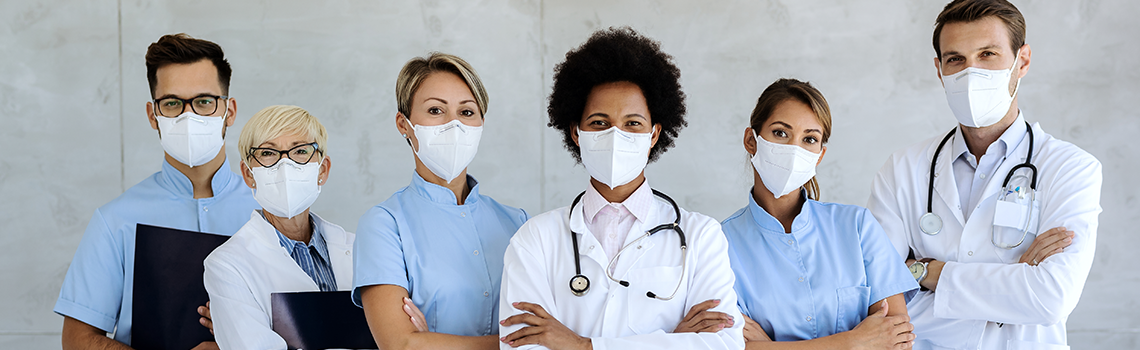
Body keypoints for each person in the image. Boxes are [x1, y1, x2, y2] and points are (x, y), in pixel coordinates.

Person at [866, 1, 1102, 349]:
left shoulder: (1070, 168)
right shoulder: (902, 170)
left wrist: (925, 271)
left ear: (1022, 61)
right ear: (939, 69)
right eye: (955, 59)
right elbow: (882, 301)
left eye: (988, 54)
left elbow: (1050, 298)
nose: (970, 72)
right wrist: (1012, 282)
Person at [498, 27, 744, 350]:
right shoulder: (534, 241)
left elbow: (724, 345)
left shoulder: (702, 236)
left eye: (632, 124)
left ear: (653, 135)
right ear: (576, 132)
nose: (616, 135)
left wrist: (582, 345)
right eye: (599, 123)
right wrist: (674, 342)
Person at [55, 33, 258, 350]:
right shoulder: (116, 220)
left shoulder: (270, 213)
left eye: (204, 101)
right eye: (173, 103)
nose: (188, 115)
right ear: (154, 115)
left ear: (229, 110)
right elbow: (78, 340)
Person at [720, 79, 917, 349]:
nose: (794, 149)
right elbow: (726, 345)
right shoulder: (718, 243)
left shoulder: (857, 227)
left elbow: (898, 340)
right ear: (751, 141)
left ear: (820, 155)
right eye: (780, 133)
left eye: (809, 139)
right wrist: (853, 341)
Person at [353, 53, 529, 350]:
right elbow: (401, 345)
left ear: (482, 123)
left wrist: (431, 341)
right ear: (403, 124)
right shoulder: (384, 224)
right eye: (435, 110)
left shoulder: (517, 222)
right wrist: (511, 344)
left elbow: (548, 331)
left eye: (467, 112)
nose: (454, 125)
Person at [202, 105, 349, 349]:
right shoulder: (226, 266)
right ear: (248, 175)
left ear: (322, 170)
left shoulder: (361, 250)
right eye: (268, 153)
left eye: (300, 151)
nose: (285, 164)